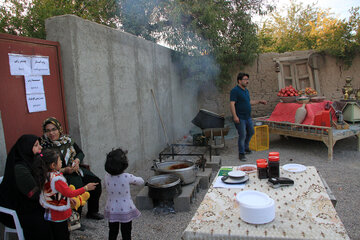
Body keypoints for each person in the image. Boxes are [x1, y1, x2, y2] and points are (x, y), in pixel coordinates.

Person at [40, 117, 103, 220]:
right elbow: (45, 168)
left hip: (75, 169)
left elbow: (80, 153)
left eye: (54, 129)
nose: (51, 133)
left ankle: (92, 211)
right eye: (48, 131)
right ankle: (75, 218)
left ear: (59, 129)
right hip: (58, 175)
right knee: (76, 186)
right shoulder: (44, 146)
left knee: (95, 182)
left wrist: (77, 161)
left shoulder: (67, 140)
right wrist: (64, 170)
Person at [32, 149, 98, 240]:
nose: (61, 161)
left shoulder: (45, 175)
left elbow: (54, 192)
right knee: (63, 235)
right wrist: (85, 188)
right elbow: (69, 193)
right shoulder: (57, 179)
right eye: (59, 160)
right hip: (59, 214)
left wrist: (67, 198)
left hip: (50, 211)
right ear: (53, 165)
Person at [0, 134, 54, 240]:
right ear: (26, 148)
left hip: (27, 201)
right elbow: (33, 193)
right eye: (36, 145)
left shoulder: (31, 161)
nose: (40, 147)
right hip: (16, 207)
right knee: (44, 219)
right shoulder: (20, 168)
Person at [104, 148, 144, 240]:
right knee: (126, 233)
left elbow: (104, 186)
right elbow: (141, 181)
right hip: (125, 209)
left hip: (112, 209)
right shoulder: (126, 177)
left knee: (112, 232)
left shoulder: (106, 176)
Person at [230, 72, 267, 161]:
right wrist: (235, 116)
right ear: (239, 81)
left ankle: (246, 147)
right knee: (242, 135)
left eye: (247, 79)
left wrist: (259, 101)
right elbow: (232, 104)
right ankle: (241, 153)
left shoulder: (246, 91)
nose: (247, 81)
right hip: (240, 117)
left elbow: (248, 102)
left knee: (251, 132)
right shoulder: (235, 91)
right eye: (245, 79)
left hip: (248, 117)